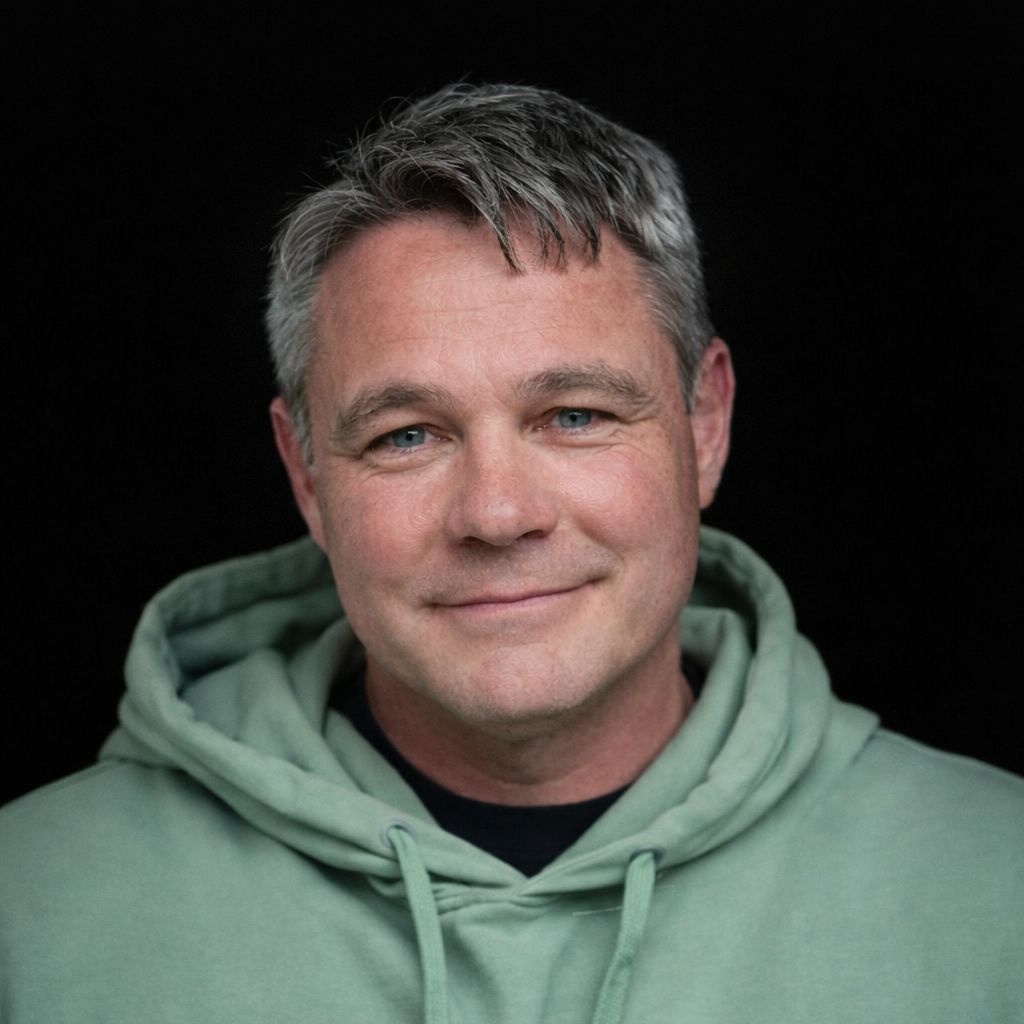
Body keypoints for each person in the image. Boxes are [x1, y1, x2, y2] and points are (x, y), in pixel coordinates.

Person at [1, 83, 1020, 1024]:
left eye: (573, 415)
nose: (495, 513)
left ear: (703, 424)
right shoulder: (30, 907)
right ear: (307, 476)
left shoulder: (994, 880)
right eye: (406, 434)